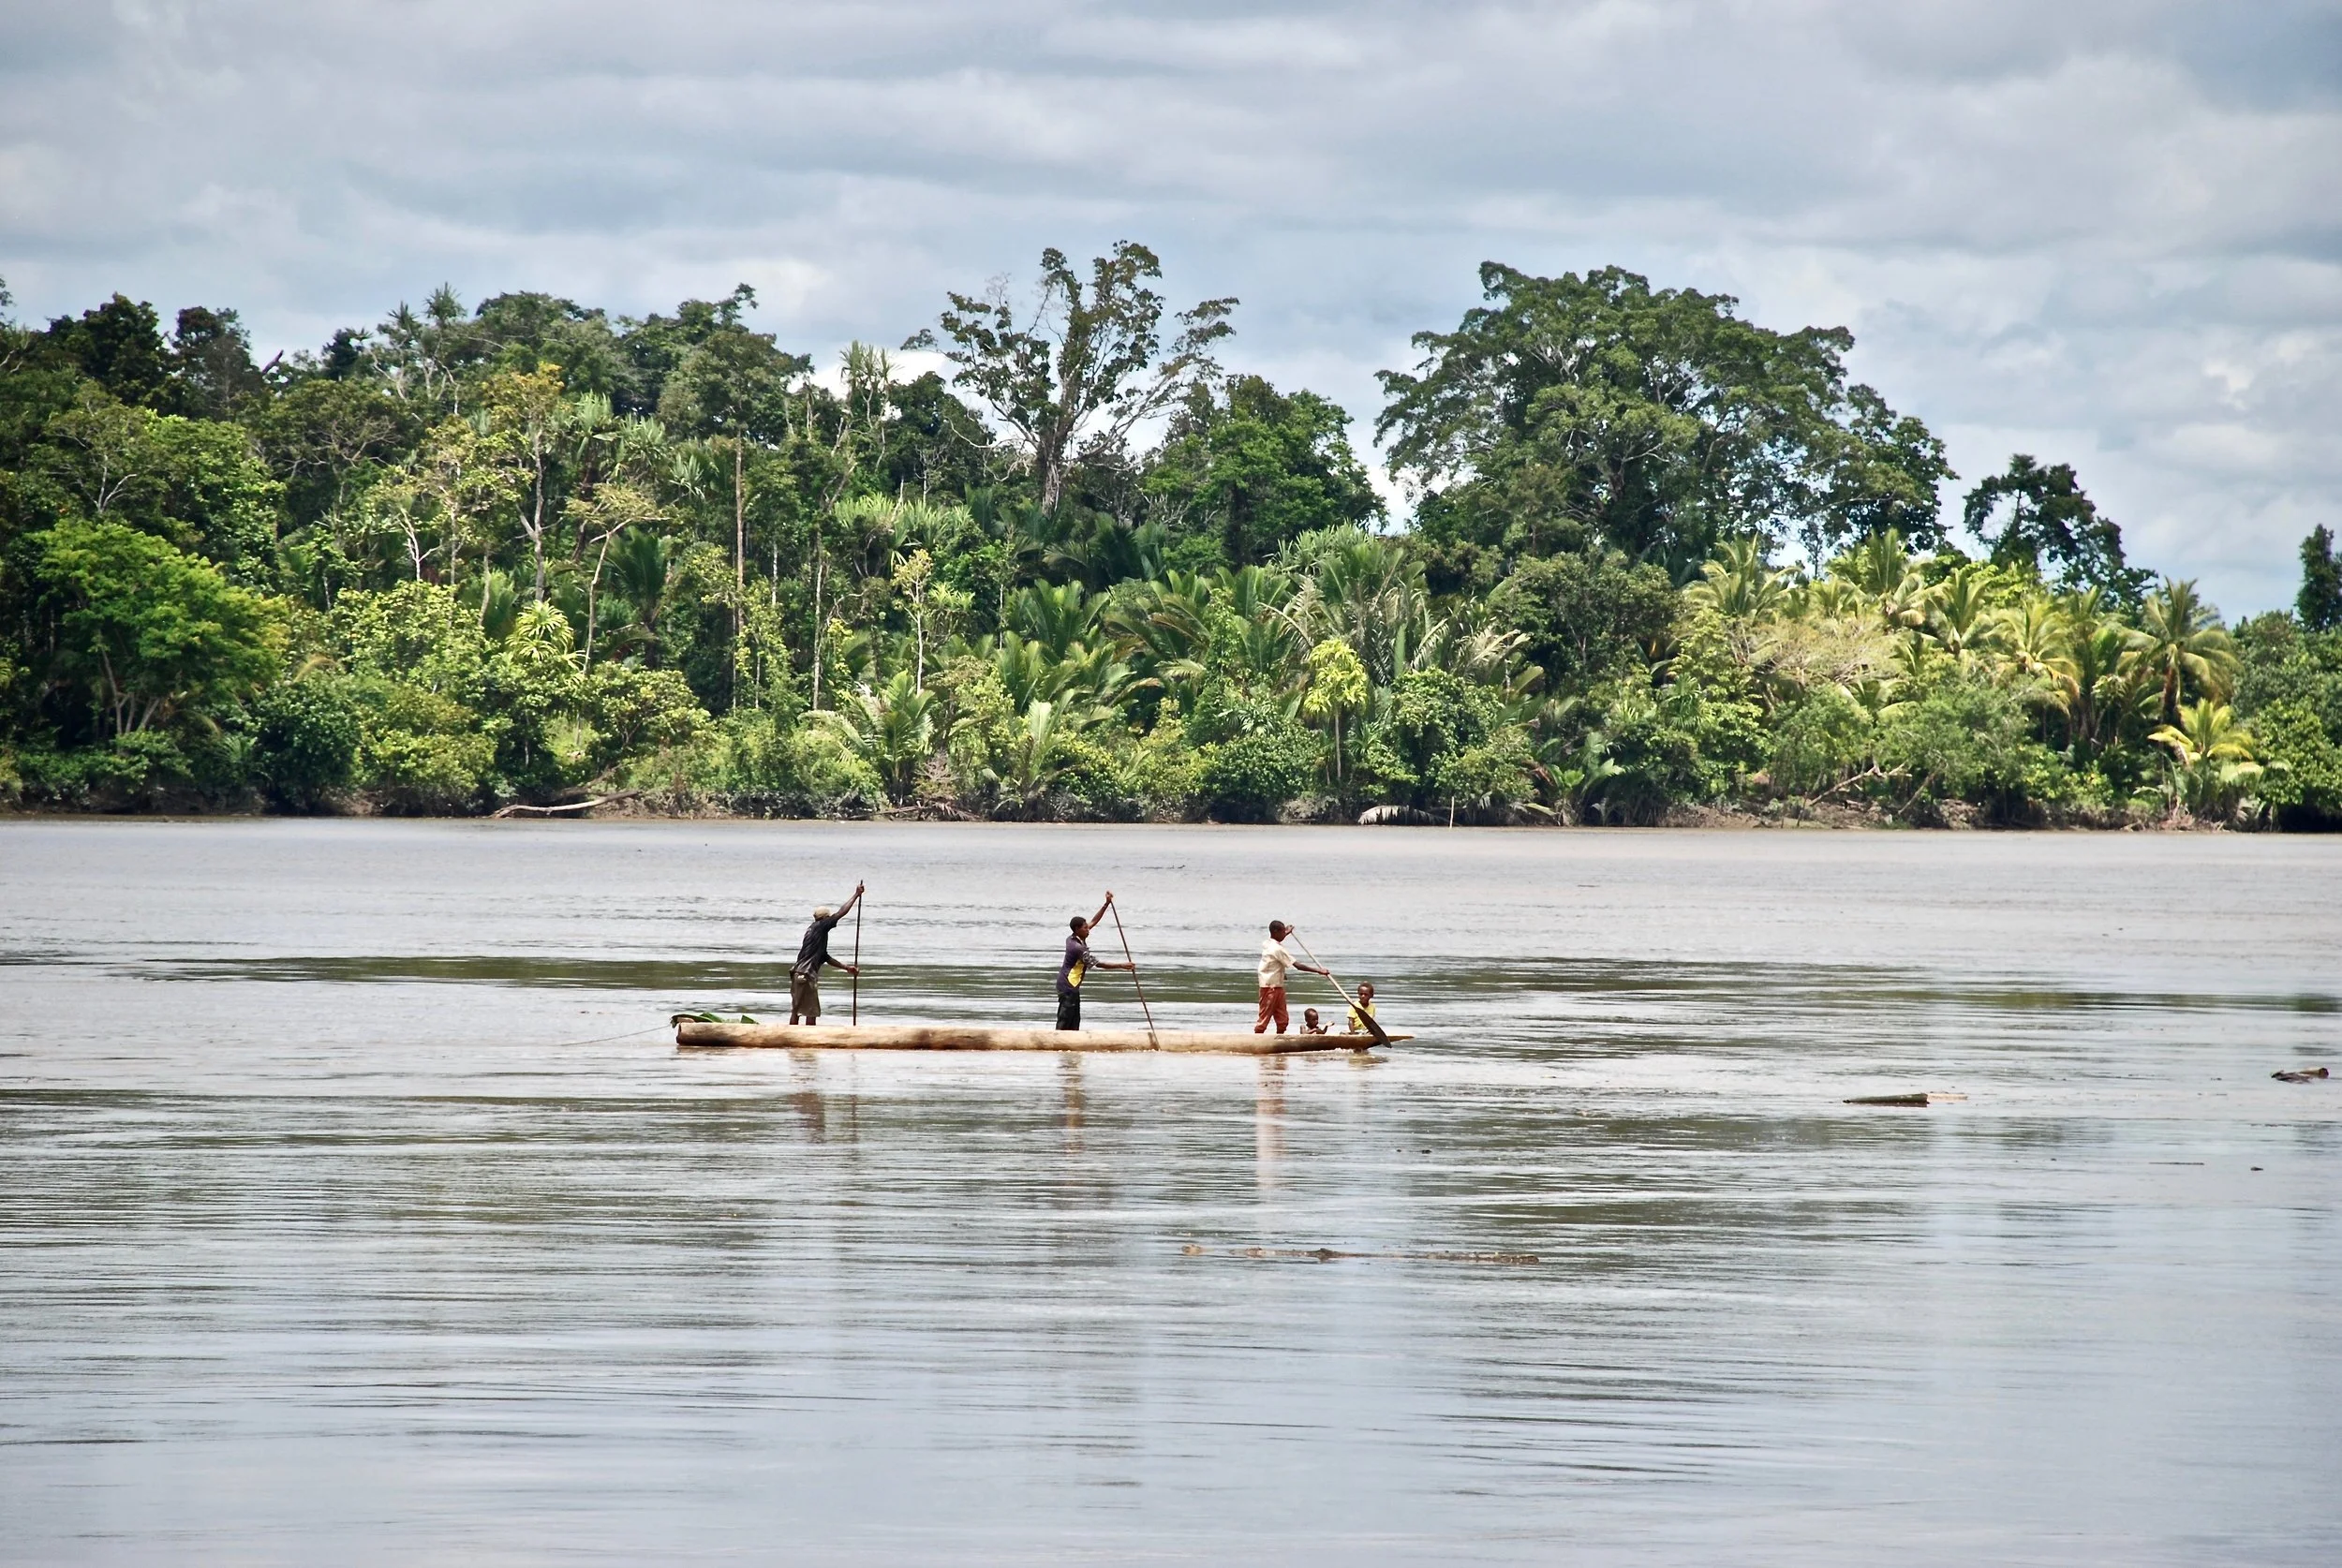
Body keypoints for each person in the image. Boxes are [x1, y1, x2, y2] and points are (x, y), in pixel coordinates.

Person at [789, 881, 864, 1025]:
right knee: (810, 1012)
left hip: (798, 974)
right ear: (825, 919)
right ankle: (808, 1041)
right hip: (806, 974)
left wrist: (847, 968)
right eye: (829, 919)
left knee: (797, 1010)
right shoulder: (820, 926)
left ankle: (793, 1040)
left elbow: (825, 957)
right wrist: (856, 895)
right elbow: (841, 913)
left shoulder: (814, 932)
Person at [1057, 892, 1133, 1031]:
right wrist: (1122, 965)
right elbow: (1098, 964)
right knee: (1066, 1017)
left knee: (1074, 1018)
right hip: (1068, 984)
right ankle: (1058, 1042)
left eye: (1087, 927)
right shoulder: (1077, 948)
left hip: (1072, 985)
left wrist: (1106, 904)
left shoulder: (1075, 937)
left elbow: (1094, 921)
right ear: (1077, 929)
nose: (1088, 930)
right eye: (1085, 928)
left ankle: (1071, 1046)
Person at [1254, 920, 1328, 1035]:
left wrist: (1286, 933)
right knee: (1264, 1017)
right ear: (1276, 932)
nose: (1285, 934)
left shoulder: (1268, 943)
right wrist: (1319, 971)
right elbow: (1297, 966)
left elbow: (1275, 958)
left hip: (1278, 987)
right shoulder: (1277, 949)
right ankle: (1257, 1038)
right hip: (1269, 987)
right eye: (1283, 932)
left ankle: (1280, 1038)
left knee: (1283, 1019)